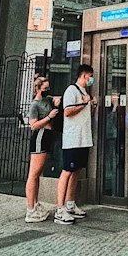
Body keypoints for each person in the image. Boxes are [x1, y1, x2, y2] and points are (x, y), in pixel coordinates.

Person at [54, 63, 96, 224]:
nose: (91, 79)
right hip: (72, 139)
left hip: (83, 138)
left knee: (76, 171)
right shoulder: (71, 90)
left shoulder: (85, 92)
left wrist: (92, 106)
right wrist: (84, 103)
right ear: (85, 75)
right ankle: (60, 209)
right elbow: (68, 112)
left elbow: (86, 115)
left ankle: (70, 204)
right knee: (67, 172)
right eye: (90, 76)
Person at [24, 79, 58, 222]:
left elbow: (57, 99)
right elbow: (33, 125)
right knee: (33, 173)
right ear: (38, 88)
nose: (47, 90)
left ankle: (36, 204)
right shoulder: (35, 105)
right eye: (45, 88)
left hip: (48, 136)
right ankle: (30, 209)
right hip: (40, 136)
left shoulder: (47, 100)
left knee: (37, 174)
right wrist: (49, 117)